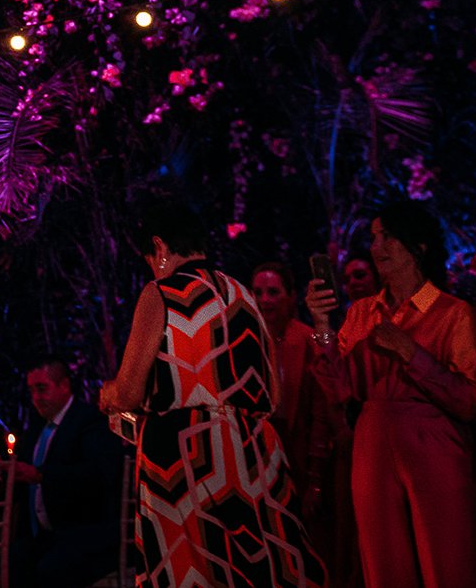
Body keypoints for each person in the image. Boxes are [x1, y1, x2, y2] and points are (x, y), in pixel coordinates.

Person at [98, 202, 320, 588]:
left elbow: (130, 391)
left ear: (160, 246)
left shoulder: (161, 293)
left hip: (184, 458)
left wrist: (109, 395)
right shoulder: (244, 294)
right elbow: (275, 394)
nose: (151, 267)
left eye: (149, 258)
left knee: (191, 570)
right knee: (249, 570)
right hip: (252, 453)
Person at [305, 202, 476, 588]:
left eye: (387, 236)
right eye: (373, 237)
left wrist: (409, 351)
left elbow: (468, 400)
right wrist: (321, 325)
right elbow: (338, 386)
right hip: (373, 441)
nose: (376, 246)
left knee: (448, 561)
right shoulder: (363, 312)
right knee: (383, 564)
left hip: (435, 443)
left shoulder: (452, 313)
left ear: (417, 246)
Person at [9, 359, 122, 588]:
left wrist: (41, 475)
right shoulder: (37, 427)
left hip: (86, 533)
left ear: (64, 386)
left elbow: (98, 475)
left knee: (51, 568)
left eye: (42, 388)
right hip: (48, 536)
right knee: (9, 560)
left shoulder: (89, 421)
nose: (36, 398)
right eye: (32, 390)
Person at [252, 263, 338, 527]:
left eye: (273, 292)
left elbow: (320, 413)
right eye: (258, 292)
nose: (264, 300)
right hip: (257, 455)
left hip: (298, 452)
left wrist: (315, 480)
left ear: (291, 297)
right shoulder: (245, 340)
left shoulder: (308, 340)